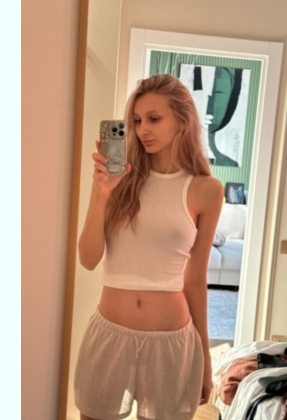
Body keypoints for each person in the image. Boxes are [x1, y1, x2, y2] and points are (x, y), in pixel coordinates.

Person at [74, 73, 224, 420]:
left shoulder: (206, 190)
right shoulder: (119, 180)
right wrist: (101, 193)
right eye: (138, 120)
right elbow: (88, 258)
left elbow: (195, 279)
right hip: (109, 335)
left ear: (183, 121)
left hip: (172, 342)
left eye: (154, 119)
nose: (143, 129)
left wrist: (205, 358)